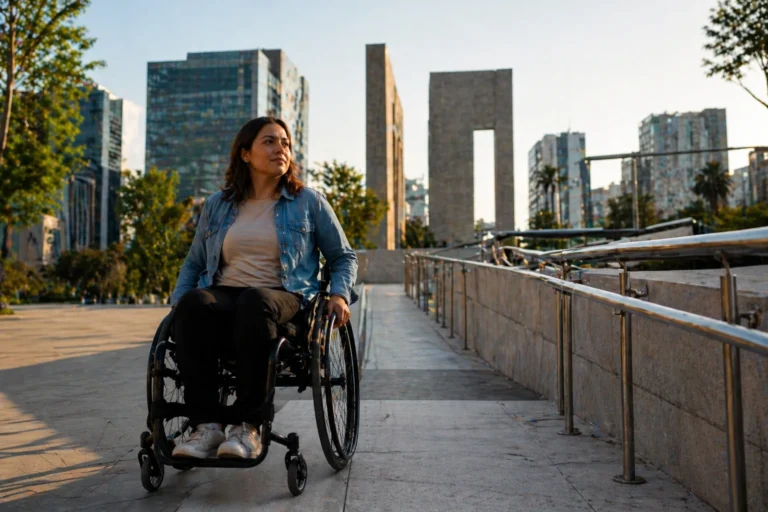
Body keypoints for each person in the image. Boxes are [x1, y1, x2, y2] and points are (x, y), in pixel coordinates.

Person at [168, 116, 358, 460]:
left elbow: (343, 256)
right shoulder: (218, 204)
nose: (280, 149)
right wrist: (178, 303)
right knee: (195, 303)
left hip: (286, 296)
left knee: (255, 301)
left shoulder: (308, 202)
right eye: (269, 141)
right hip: (227, 293)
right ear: (245, 154)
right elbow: (195, 262)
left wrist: (340, 294)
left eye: (285, 143)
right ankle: (206, 426)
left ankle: (249, 426)